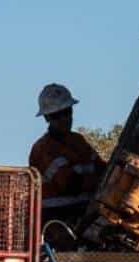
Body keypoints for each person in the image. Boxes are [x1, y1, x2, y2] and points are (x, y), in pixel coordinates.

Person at [29, 83, 106, 228]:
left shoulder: (79, 141)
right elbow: (70, 185)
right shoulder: (43, 149)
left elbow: (103, 170)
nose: (64, 119)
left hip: (84, 217)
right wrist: (98, 180)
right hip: (56, 223)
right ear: (47, 118)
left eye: (67, 111)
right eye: (56, 115)